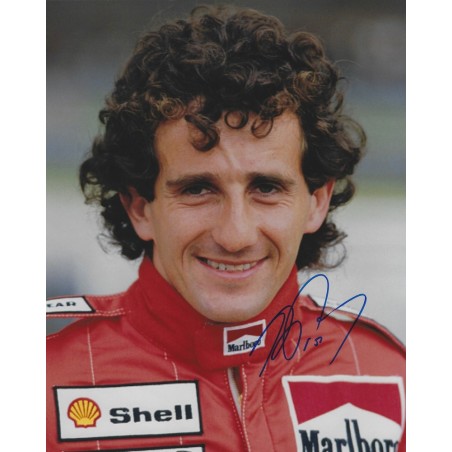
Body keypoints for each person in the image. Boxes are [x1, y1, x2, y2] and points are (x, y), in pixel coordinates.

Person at [47, 5, 405, 451]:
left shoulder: (392, 376)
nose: (236, 235)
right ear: (140, 208)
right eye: (198, 189)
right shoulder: (41, 381)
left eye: (266, 188)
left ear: (317, 201)